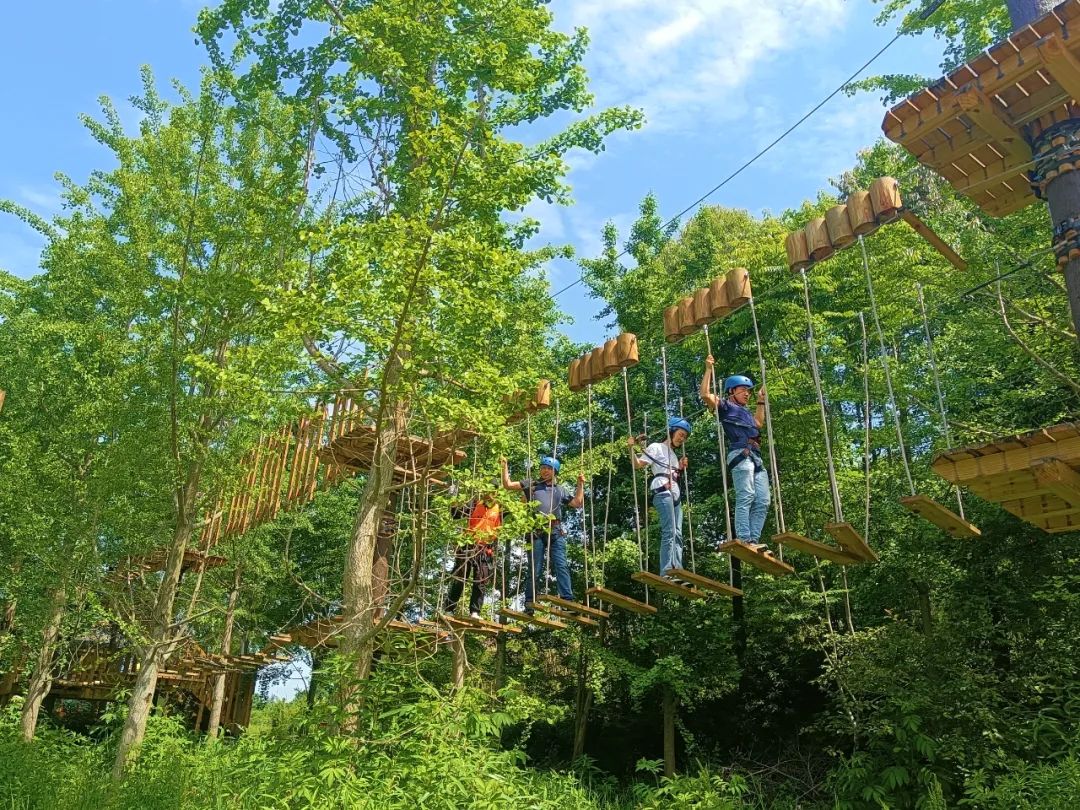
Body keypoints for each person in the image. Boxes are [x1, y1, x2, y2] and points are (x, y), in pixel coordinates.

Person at [699, 356, 773, 554]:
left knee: (763, 500)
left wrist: (760, 401)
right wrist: (708, 369)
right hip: (740, 454)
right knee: (747, 495)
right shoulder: (725, 406)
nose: (747, 394)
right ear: (732, 391)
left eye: (748, 391)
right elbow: (705, 394)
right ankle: (744, 538)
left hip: (756, 456)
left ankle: (754, 540)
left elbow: (758, 424)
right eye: (743, 390)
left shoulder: (746, 412)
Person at [501, 455, 584, 609]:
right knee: (535, 569)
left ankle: (567, 600)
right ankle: (530, 603)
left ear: (555, 472)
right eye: (543, 468)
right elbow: (507, 485)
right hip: (536, 531)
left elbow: (577, 503)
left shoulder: (561, 490)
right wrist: (504, 466)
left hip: (555, 530)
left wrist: (580, 484)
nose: (545, 471)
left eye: (549, 469)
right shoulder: (531, 485)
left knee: (561, 565)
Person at [628, 418, 691, 576]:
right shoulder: (656, 447)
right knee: (669, 531)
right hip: (663, 491)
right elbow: (637, 465)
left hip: (675, 494)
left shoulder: (675, 456)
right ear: (671, 431)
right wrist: (631, 448)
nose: (681, 439)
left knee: (678, 533)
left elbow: (673, 474)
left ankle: (676, 567)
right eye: (680, 434)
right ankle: (667, 570)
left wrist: (680, 468)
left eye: (684, 437)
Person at [444, 490, 502, 619]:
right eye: (487, 490)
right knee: (460, 577)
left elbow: (520, 511)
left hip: (485, 548)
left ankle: (475, 611)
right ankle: (449, 609)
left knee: (481, 580)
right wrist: (454, 501)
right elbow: (456, 514)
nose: (489, 494)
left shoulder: (501, 507)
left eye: (492, 491)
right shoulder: (475, 503)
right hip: (469, 544)